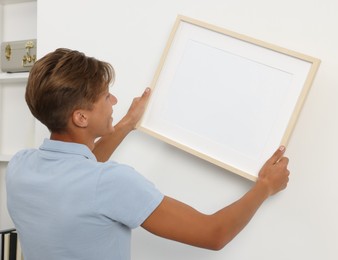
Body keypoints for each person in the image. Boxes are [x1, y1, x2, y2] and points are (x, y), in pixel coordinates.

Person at [6, 48, 290, 260]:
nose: (114, 100)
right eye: (106, 96)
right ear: (80, 118)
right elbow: (213, 233)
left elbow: (79, 173)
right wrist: (265, 186)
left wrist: (126, 124)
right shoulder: (111, 182)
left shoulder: (20, 167)